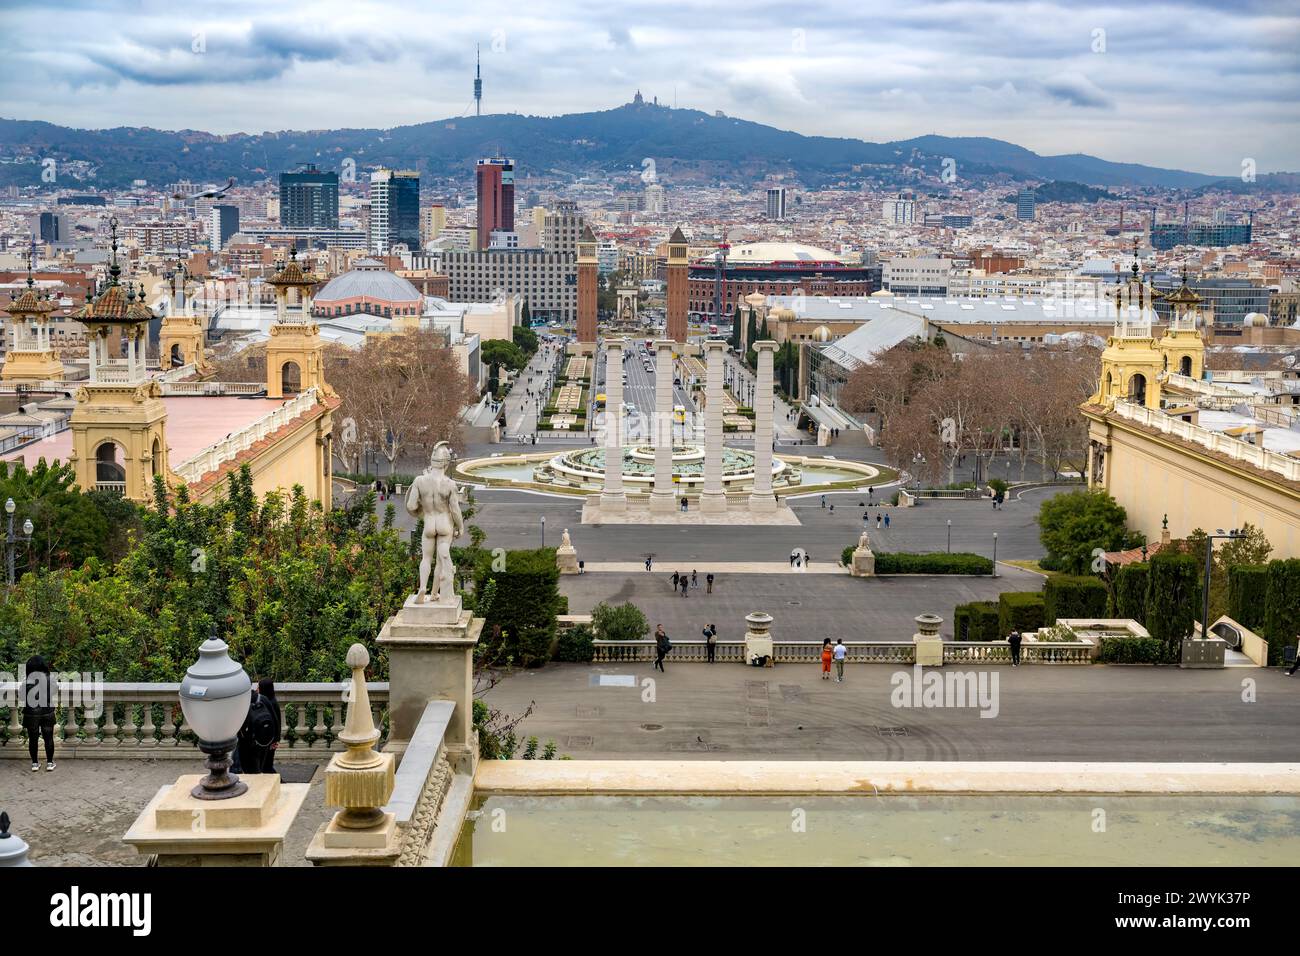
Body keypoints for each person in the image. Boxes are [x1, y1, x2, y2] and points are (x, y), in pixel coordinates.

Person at [22, 655, 56, 772]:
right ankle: (50, 763)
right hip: (47, 712)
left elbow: (21, 696)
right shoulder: (50, 679)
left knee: (33, 739)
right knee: (49, 738)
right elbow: (54, 691)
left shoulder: (26, 681)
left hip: (31, 714)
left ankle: (35, 764)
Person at [256, 678, 282, 774]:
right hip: (270, 739)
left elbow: (275, 723)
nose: (257, 689)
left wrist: (274, 741)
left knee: (266, 766)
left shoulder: (269, 703)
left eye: (259, 687)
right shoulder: (271, 700)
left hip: (270, 740)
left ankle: (280, 782)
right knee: (266, 765)